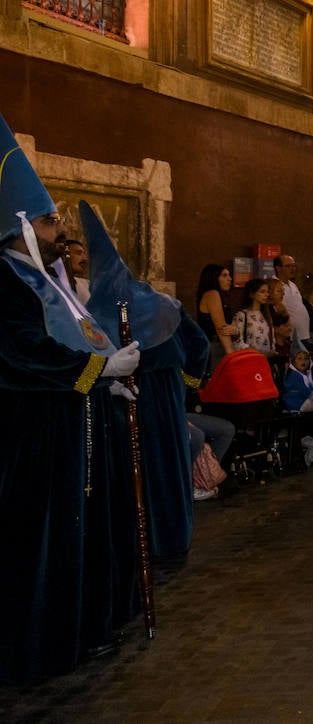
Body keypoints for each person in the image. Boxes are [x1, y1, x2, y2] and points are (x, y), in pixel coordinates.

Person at [0, 115, 142, 682]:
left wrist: (107, 377)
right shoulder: (7, 283)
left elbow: (77, 337)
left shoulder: (47, 281)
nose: (60, 230)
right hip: (34, 436)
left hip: (73, 424)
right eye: (49, 220)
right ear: (20, 227)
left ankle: (88, 624)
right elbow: (25, 355)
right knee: (42, 540)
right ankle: (45, 643)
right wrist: (100, 367)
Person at [81, 200, 210, 558]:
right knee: (171, 463)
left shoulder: (91, 313)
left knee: (138, 470)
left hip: (126, 398)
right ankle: (174, 537)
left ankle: (143, 542)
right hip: (167, 395)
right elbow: (199, 345)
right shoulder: (163, 302)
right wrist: (188, 383)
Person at [196, 263, 236, 367]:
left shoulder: (221, 297)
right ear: (213, 278)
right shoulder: (212, 294)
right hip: (214, 347)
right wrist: (232, 356)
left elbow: (230, 328)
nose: (230, 279)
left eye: (229, 275)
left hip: (217, 346)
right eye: (224, 275)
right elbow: (221, 329)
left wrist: (235, 330)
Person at [273, 254, 311, 346]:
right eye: (288, 266)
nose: (292, 269)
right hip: (289, 337)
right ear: (278, 268)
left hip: (303, 334)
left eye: (294, 266)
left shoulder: (293, 285)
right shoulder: (274, 286)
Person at [230, 278, 274, 355]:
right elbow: (237, 342)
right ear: (252, 294)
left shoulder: (266, 315)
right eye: (262, 292)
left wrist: (272, 350)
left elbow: (271, 337)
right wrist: (255, 352)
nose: (266, 295)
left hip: (266, 360)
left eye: (267, 292)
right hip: (250, 358)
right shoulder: (242, 315)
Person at [63, 237, 91, 304]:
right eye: (79, 253)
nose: (85, 259)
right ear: (63, 256)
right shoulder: (51, 284)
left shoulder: (88, 285)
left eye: (84, 254)